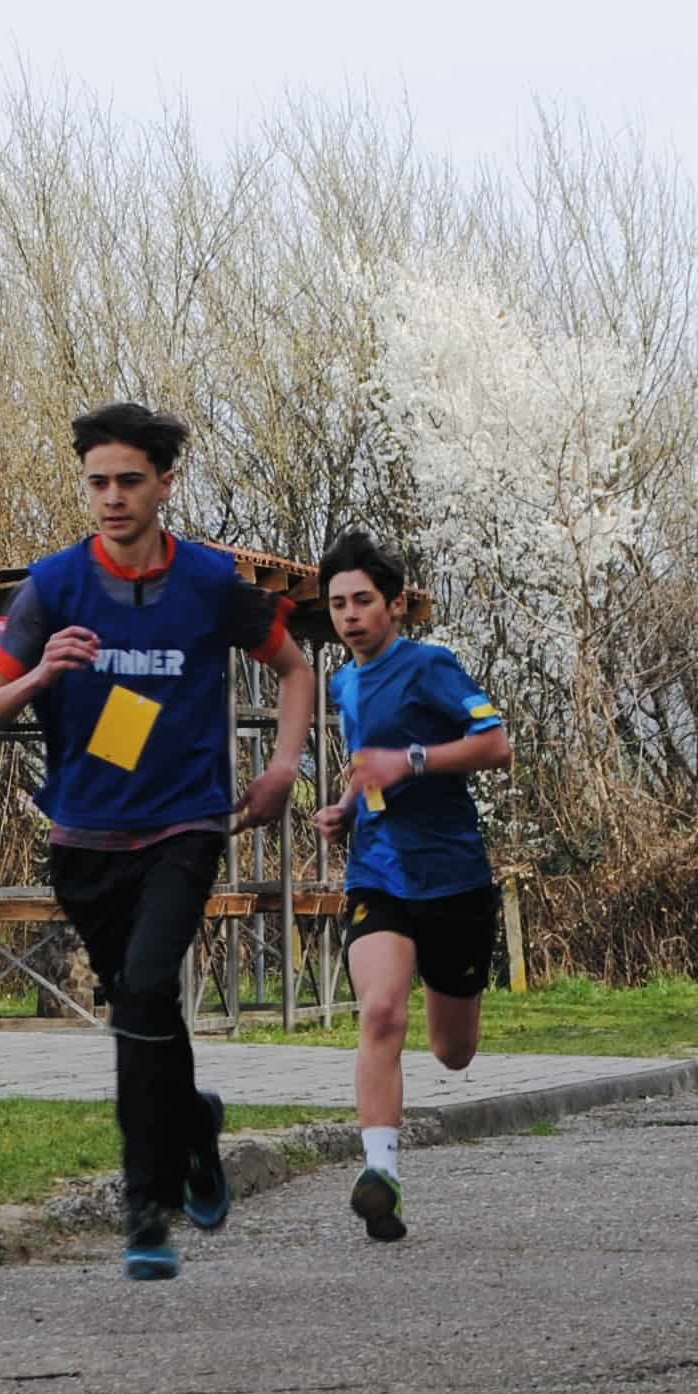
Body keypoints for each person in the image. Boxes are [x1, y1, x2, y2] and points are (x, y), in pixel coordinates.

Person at [0, 401, 316, 1280]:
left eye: (129, 480)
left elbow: (295, 667)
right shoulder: (52, 585)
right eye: (97, 483)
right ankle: (194, 1130)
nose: (112, 497)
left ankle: (143, 1208)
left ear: (164, 482)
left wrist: (280, 767)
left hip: (184, 824)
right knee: (142, 1010)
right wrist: (41, 671)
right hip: (84, 835)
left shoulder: (207, 581)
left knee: (148, 990)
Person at [310, 532, 511, 1242]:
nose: (349, 615)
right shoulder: (342, 682)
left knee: (453, 1052)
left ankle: (445, 1030)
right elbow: (368, 772)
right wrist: (343, 808)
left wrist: (411, 761)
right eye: (336, 604)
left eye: (362, 600)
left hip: (452, 874)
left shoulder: (431, 667)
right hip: (379, 871)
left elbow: (496, 745)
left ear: (393, 604)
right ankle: (380, 1174)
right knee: (380, 1014)